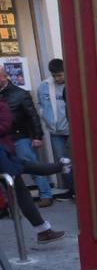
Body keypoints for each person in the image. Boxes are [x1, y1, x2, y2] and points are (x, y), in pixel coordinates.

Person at [0, 99, 65, 243]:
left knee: (26, 175)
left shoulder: (3, 104)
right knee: (23, 188)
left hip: (7, 155)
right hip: (5, 160)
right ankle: (63, 166)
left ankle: (43, 231)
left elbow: (5, 125)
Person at [0, 67, 52, 207]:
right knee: (8, 172)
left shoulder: (20, 94)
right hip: (4, 140)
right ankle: (10, 202)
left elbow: (32, 116)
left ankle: (46, 195)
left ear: (4, 77)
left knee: (33, 166)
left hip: (20, 136)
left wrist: (37, 136)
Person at [36, 58, 73, 199]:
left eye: (60, 75)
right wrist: (45, 117)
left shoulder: (73, 84)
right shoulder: (44, 86)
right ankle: (72, 189)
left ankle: (78, 189)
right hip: (56, 131)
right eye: (54, 75)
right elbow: (40, 105)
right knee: (62, 162)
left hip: (71, 130)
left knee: (74, 160)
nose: (57, 78)